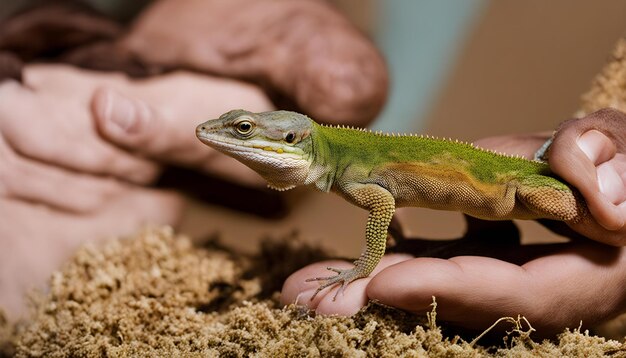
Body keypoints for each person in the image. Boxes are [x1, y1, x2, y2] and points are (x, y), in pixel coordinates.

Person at [1, 0, 625, 337]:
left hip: (517, 184)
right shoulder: (338, 162)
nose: (229, 139)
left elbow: (384, 205)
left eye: (245, 132)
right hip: (496, 199)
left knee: (597, 212)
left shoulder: (352, 171)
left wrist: (363, 265)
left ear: (297, 140)